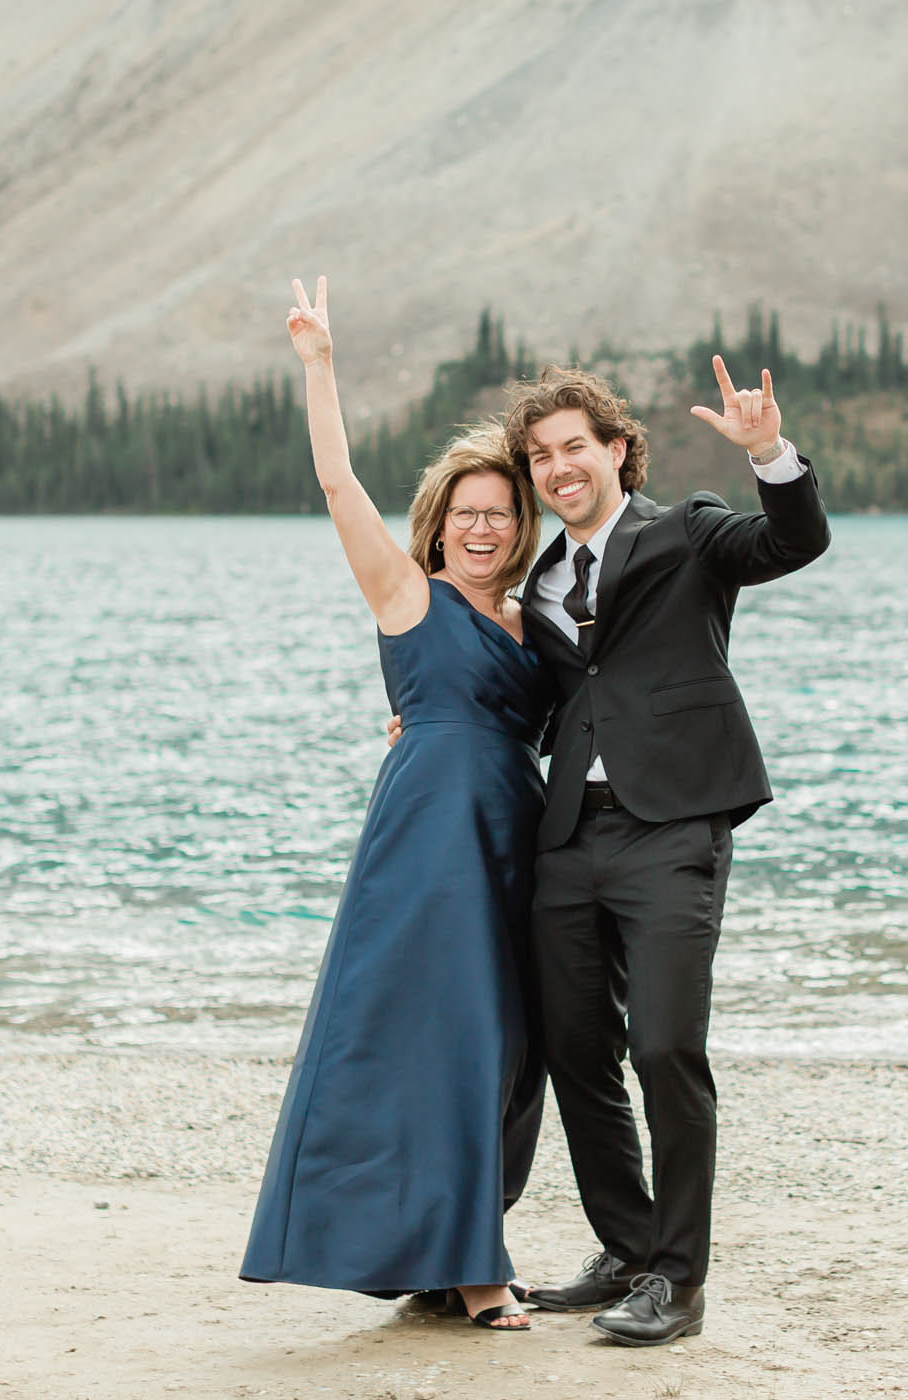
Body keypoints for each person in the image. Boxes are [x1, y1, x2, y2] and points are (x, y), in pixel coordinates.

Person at [239, 277, 553, 1331]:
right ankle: (476, 1270)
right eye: (464, 513)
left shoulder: (531, 625)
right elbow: (336, 486)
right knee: (443, 1035)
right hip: (428, 840)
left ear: (519, 528)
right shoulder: (404, 594)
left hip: (518, 834)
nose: (480, 527)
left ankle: (445, 1240)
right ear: (439, 521)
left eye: (498, 515)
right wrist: (319, 367)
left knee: (512, 1046)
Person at [508, 358, 831, 1346]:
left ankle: (678, 1283)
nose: (558, 468)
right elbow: (547, 701)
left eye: (573, 447)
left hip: (674, 827)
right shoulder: (543, 581)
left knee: (663, 1046)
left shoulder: (686, 531)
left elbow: (793, 539)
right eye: (539, 457)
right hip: (567, 838)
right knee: (574, 1048)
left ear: (613, 450)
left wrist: (767, 452)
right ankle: (627, 1249)